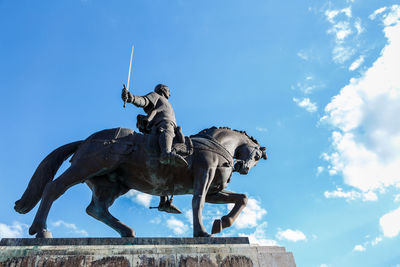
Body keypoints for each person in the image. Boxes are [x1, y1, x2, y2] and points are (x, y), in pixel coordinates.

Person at [121, 83, 185, 213]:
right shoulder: (156, 96)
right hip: (164, 126)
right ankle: (166, 153)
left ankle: (164, 201)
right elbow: (144, 101)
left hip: (173, 128)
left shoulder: (167, 102)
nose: (170, 93)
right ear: (162, 90)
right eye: (168, 90)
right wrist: (132, 98)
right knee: (168, 130)